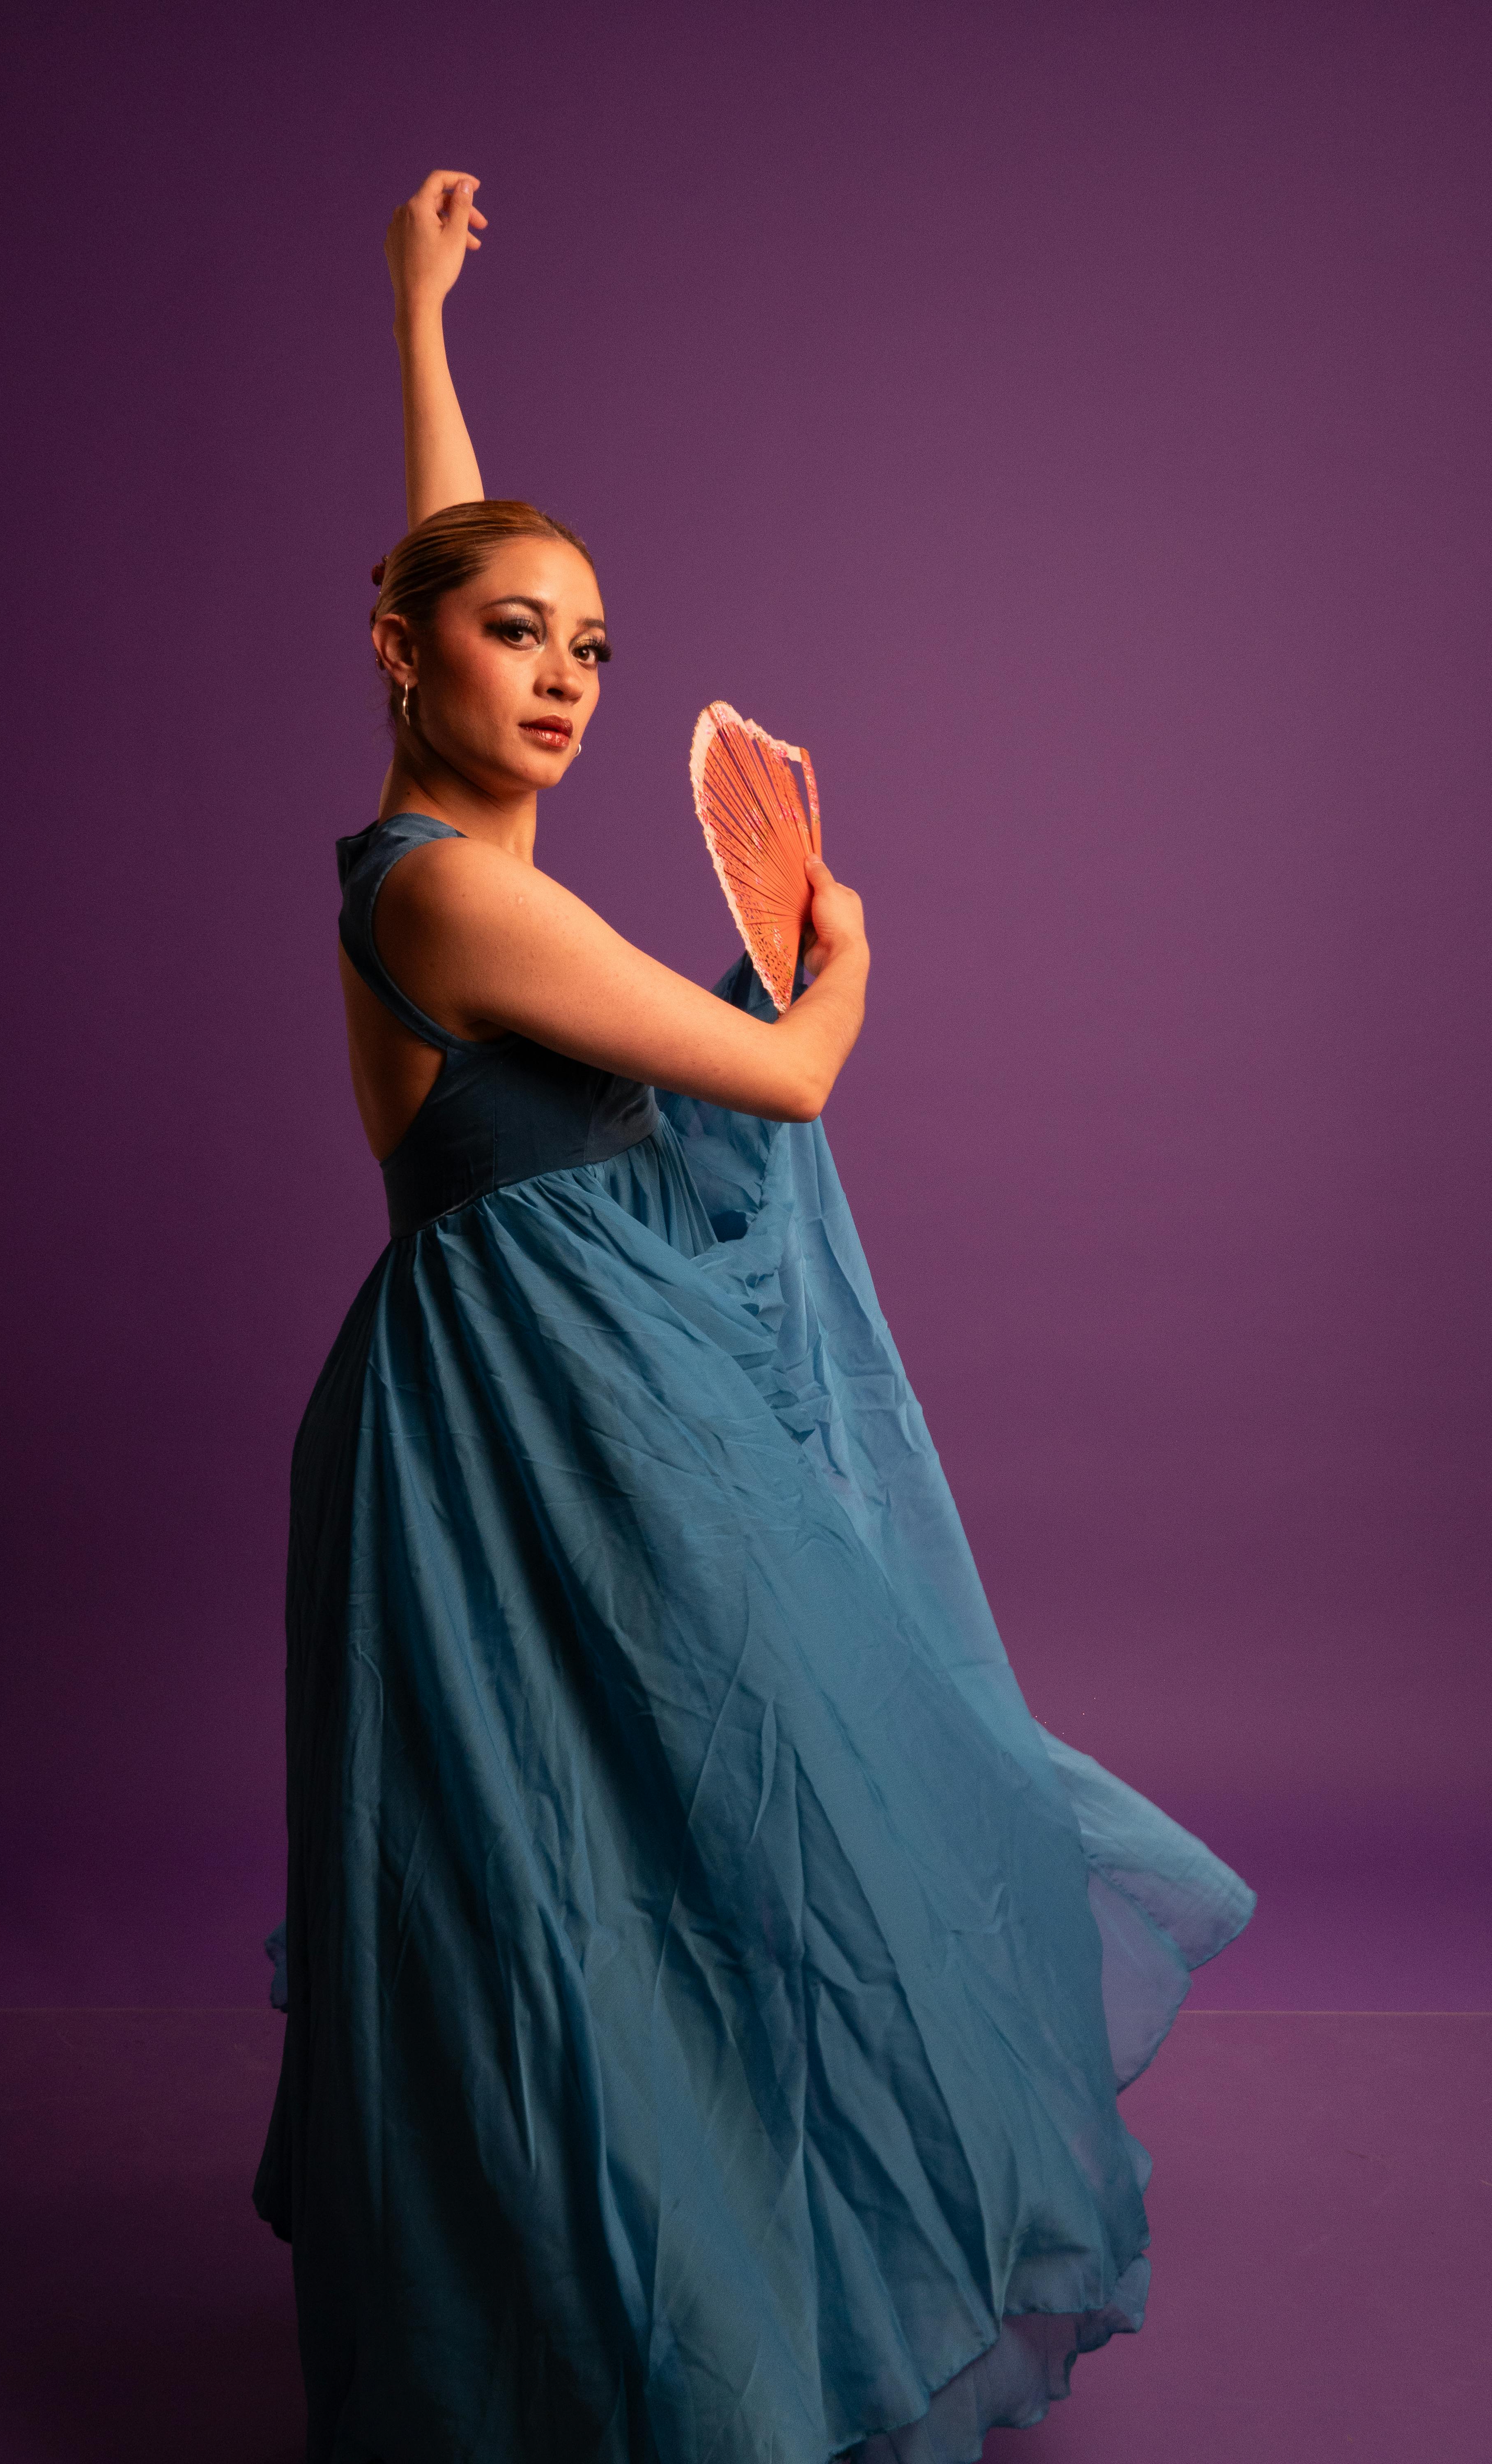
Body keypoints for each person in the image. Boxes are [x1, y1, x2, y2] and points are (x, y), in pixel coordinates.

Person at [254, 169, 1254, 2464]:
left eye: (594, 647)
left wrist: (413, 311)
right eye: (525, 638)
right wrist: (849, 957)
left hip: (577, 1389)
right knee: (592, 1871)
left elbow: (451, 542)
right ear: (403, 651)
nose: (571, 679)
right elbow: (791, 1072)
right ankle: (646, 2348)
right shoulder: (450, 908)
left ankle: (727, 2296)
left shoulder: (460, 849)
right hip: (534, 1424)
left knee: (677, 1845)